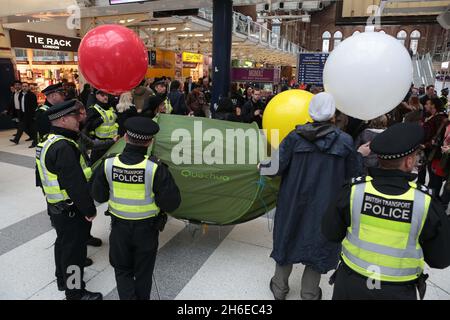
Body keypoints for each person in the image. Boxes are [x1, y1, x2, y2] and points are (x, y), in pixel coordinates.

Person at [323, 122, 450, 300]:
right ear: (408, 161)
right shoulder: (425, 203)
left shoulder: (354, 191)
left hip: (350, 285)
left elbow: (330, 232)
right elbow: (441, 259)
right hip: (397, 291)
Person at [259, 92, 364, 300]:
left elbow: (274, 167)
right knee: (320, 244)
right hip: (326, 204)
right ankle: (309, 293)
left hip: (292, 201)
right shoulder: (344, 141)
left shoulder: (294, 137)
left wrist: (261, 166)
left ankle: (279, 288)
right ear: (333, 114)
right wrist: (360, 154)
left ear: (310, 111)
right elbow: (356, 175)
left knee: (287, 237)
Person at [91, 117, 181, 300]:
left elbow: (98, 196)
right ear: (150, 141)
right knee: (143, 272)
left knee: (122, 269)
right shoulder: (156, 168)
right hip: (147, 230)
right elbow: (172, 203)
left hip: (119, 229)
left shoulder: (108, 164)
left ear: (125, 137)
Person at [35, 100, 103, 300]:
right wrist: (89, 210)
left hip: (56, 207)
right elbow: (75, 184)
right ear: (63, 120)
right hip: (70, 209)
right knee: (74, 252)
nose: (79, 120)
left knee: (63, 243)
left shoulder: (47, 140)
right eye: (75, 117)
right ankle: (75, 292)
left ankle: (62, 277)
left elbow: (42, 177)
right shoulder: (64, 146)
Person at [84, 89, 119, 164]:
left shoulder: (111, 108)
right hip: (99, 146)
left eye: (106, 95)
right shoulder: (93, 109)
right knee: (97, 165)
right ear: (96, 96)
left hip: (113, 143)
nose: (105, 97)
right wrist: (100, 119)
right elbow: (88, 127)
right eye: (102, 95)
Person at [421, 97, 447, 195]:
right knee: (432, 175)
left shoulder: (440, 118)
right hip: (430, 151)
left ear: (433, 106)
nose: (426, 105)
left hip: (435, 153)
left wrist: (425, 145)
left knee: (435, 177)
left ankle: (433, 198)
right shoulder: (431, 116)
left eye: (429, 104)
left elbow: (438, 137)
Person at [10, 82, 38, 147]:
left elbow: (35, 105)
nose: (24, 87)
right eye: (23, 86)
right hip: (23, 114)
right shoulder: (21, 95)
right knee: (22, 127)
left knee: (33, 129)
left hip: (30, 115)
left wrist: (34, 115)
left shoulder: (32, 95)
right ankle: (17, 139)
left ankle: (35, 142)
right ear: (21, 87)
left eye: (25, 86)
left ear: (28, 87)